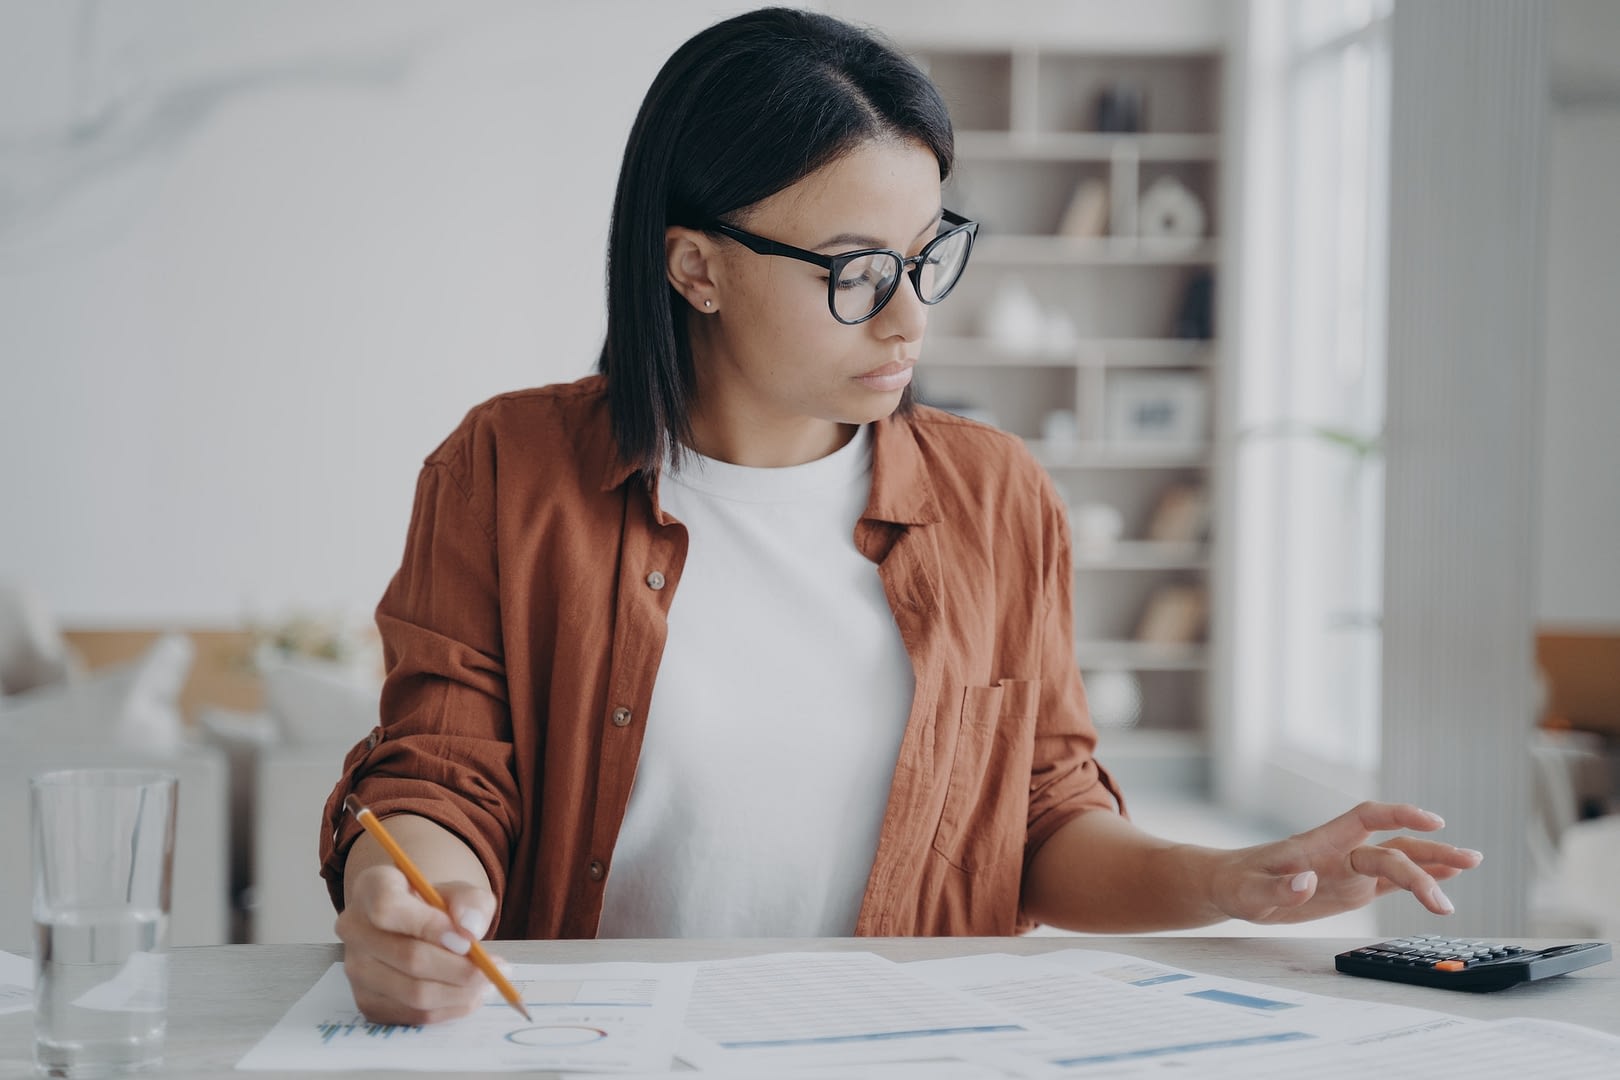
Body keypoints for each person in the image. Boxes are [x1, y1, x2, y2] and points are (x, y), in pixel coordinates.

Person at [319, 7, 1483, 1026]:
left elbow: (1041, 822)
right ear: (693, 268)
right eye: (857, 271)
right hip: (595, 1046)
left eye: (930, 258)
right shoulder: (507, 469)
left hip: (905, 1050)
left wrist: (1230, 881)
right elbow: (443, 775)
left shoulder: (997, 497)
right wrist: (414, 899)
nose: (910, 319)